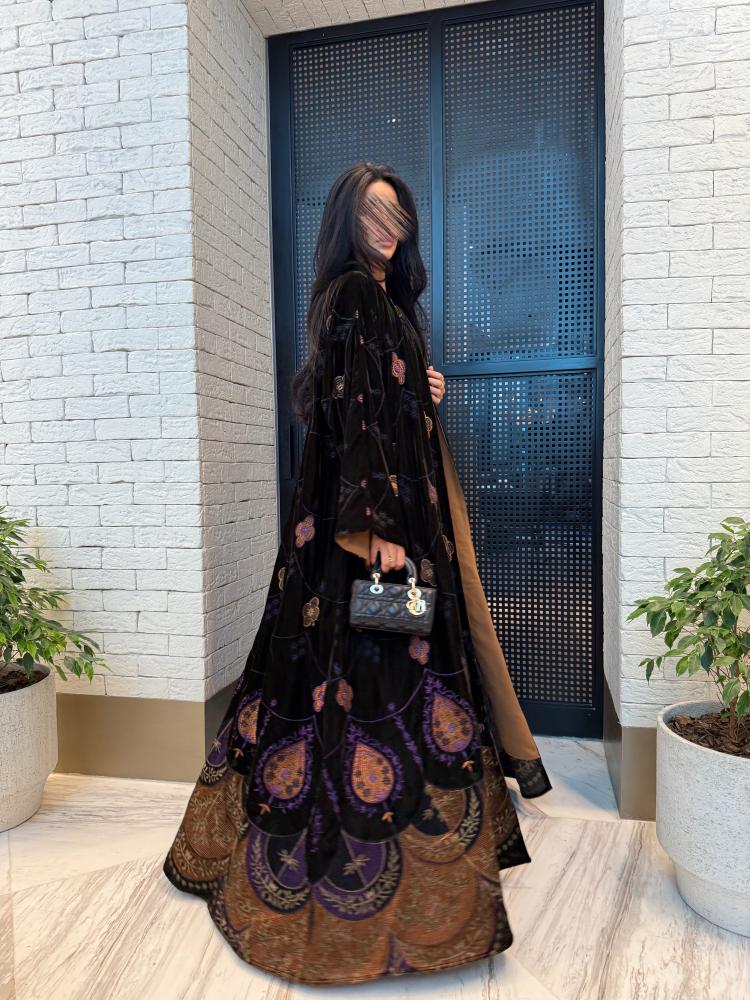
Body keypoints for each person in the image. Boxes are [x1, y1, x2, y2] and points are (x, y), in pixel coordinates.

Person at [162, 162, 552, 986]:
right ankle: (373, 859)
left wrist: (423, 388)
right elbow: (358, 417)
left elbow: (360, 398)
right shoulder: (354, 294)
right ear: (346, 220)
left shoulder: (383, 303)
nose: (388, 226)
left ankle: (391, 829)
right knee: (379, 672)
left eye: (397, 213)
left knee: (367, 671)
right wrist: (377, 530)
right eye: (372, 212)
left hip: (378, 526)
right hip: (375, 536)